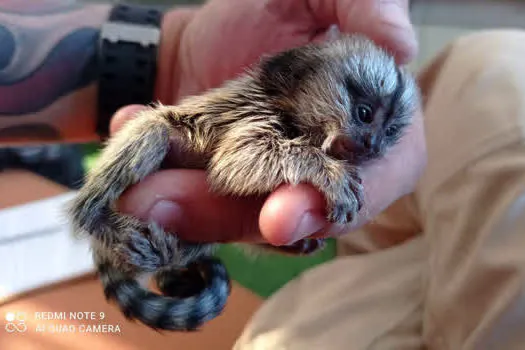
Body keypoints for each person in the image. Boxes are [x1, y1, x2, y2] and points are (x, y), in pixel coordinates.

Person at [2, 1, 525, 349]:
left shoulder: (322, 129)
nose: (372, 141)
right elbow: (237, 161)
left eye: (388, 132)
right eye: (364, 114)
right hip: (177, 140)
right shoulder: (271, 113)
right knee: (151, 132)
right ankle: (98, 216)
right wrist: (316, 165)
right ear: (302, 78)